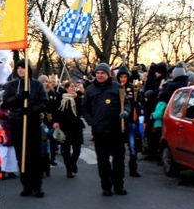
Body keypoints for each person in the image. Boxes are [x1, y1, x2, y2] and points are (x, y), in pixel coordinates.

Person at [0, 59, 49, 198]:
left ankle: (37, 184)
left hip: (32, 123)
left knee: (35, 155)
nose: (21, 70)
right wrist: (20, 97)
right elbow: (5, 103)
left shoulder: (37, 85)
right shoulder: (12, 85)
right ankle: (26, 184)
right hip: (16, 122)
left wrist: (32, 109)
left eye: (23, 68)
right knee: (22, 155)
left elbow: (44, 102)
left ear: (29, 70)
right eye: (18, 68)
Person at [82, 63, 131, 196]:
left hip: (116, 130)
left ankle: (118, 185)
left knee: (118, 160)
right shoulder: (90, 90)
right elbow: (84, 108)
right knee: (103, 161)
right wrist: (91, 121)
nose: (100, 75)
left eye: (103, 73)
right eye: (98, 73)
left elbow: (126, 103)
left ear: (108, 74)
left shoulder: (117, 88)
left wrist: (126, 111)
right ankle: (106, 186)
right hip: (100, 131)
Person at [51, 79, 84, 178]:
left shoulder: (78, 98)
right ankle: (68, 169)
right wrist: (56, 121)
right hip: (65, 126)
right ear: (66, 89)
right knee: (66, 149)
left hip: (76, 126)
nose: (74, 88)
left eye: (75, 86)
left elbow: (81, 110)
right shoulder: (61, 98)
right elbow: (56, 111)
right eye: (71, 87)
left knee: (77, 148)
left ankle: (73, 162)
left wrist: (77, 98)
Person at [116, 65, 141, 178]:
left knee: (132, 146)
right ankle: (118, 167)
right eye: (121, 77)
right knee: (119, 147)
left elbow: (136, 103)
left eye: (125, 77)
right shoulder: (115, 88)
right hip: (119, 122)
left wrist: (137, 109)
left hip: (130, 121)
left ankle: (133, 168)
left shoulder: (132, 89)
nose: (123, 79)